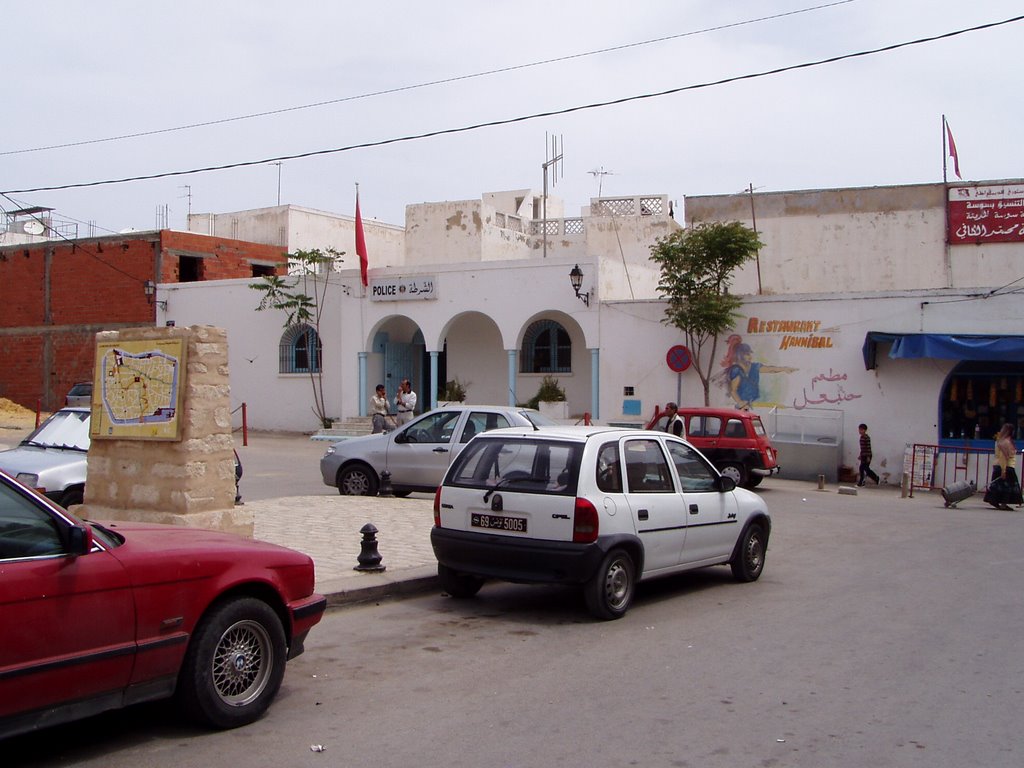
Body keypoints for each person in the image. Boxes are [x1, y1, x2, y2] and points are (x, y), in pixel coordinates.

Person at [983, 423, 1023, 511]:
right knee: (1007, 487)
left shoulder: (1000, 441)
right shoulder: (1006, 442)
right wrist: (1003, 470)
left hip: (999, 465)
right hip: (1006, 466)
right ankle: (1003, 504)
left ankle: (995, 501)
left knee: (998, 486)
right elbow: (1004, 457)